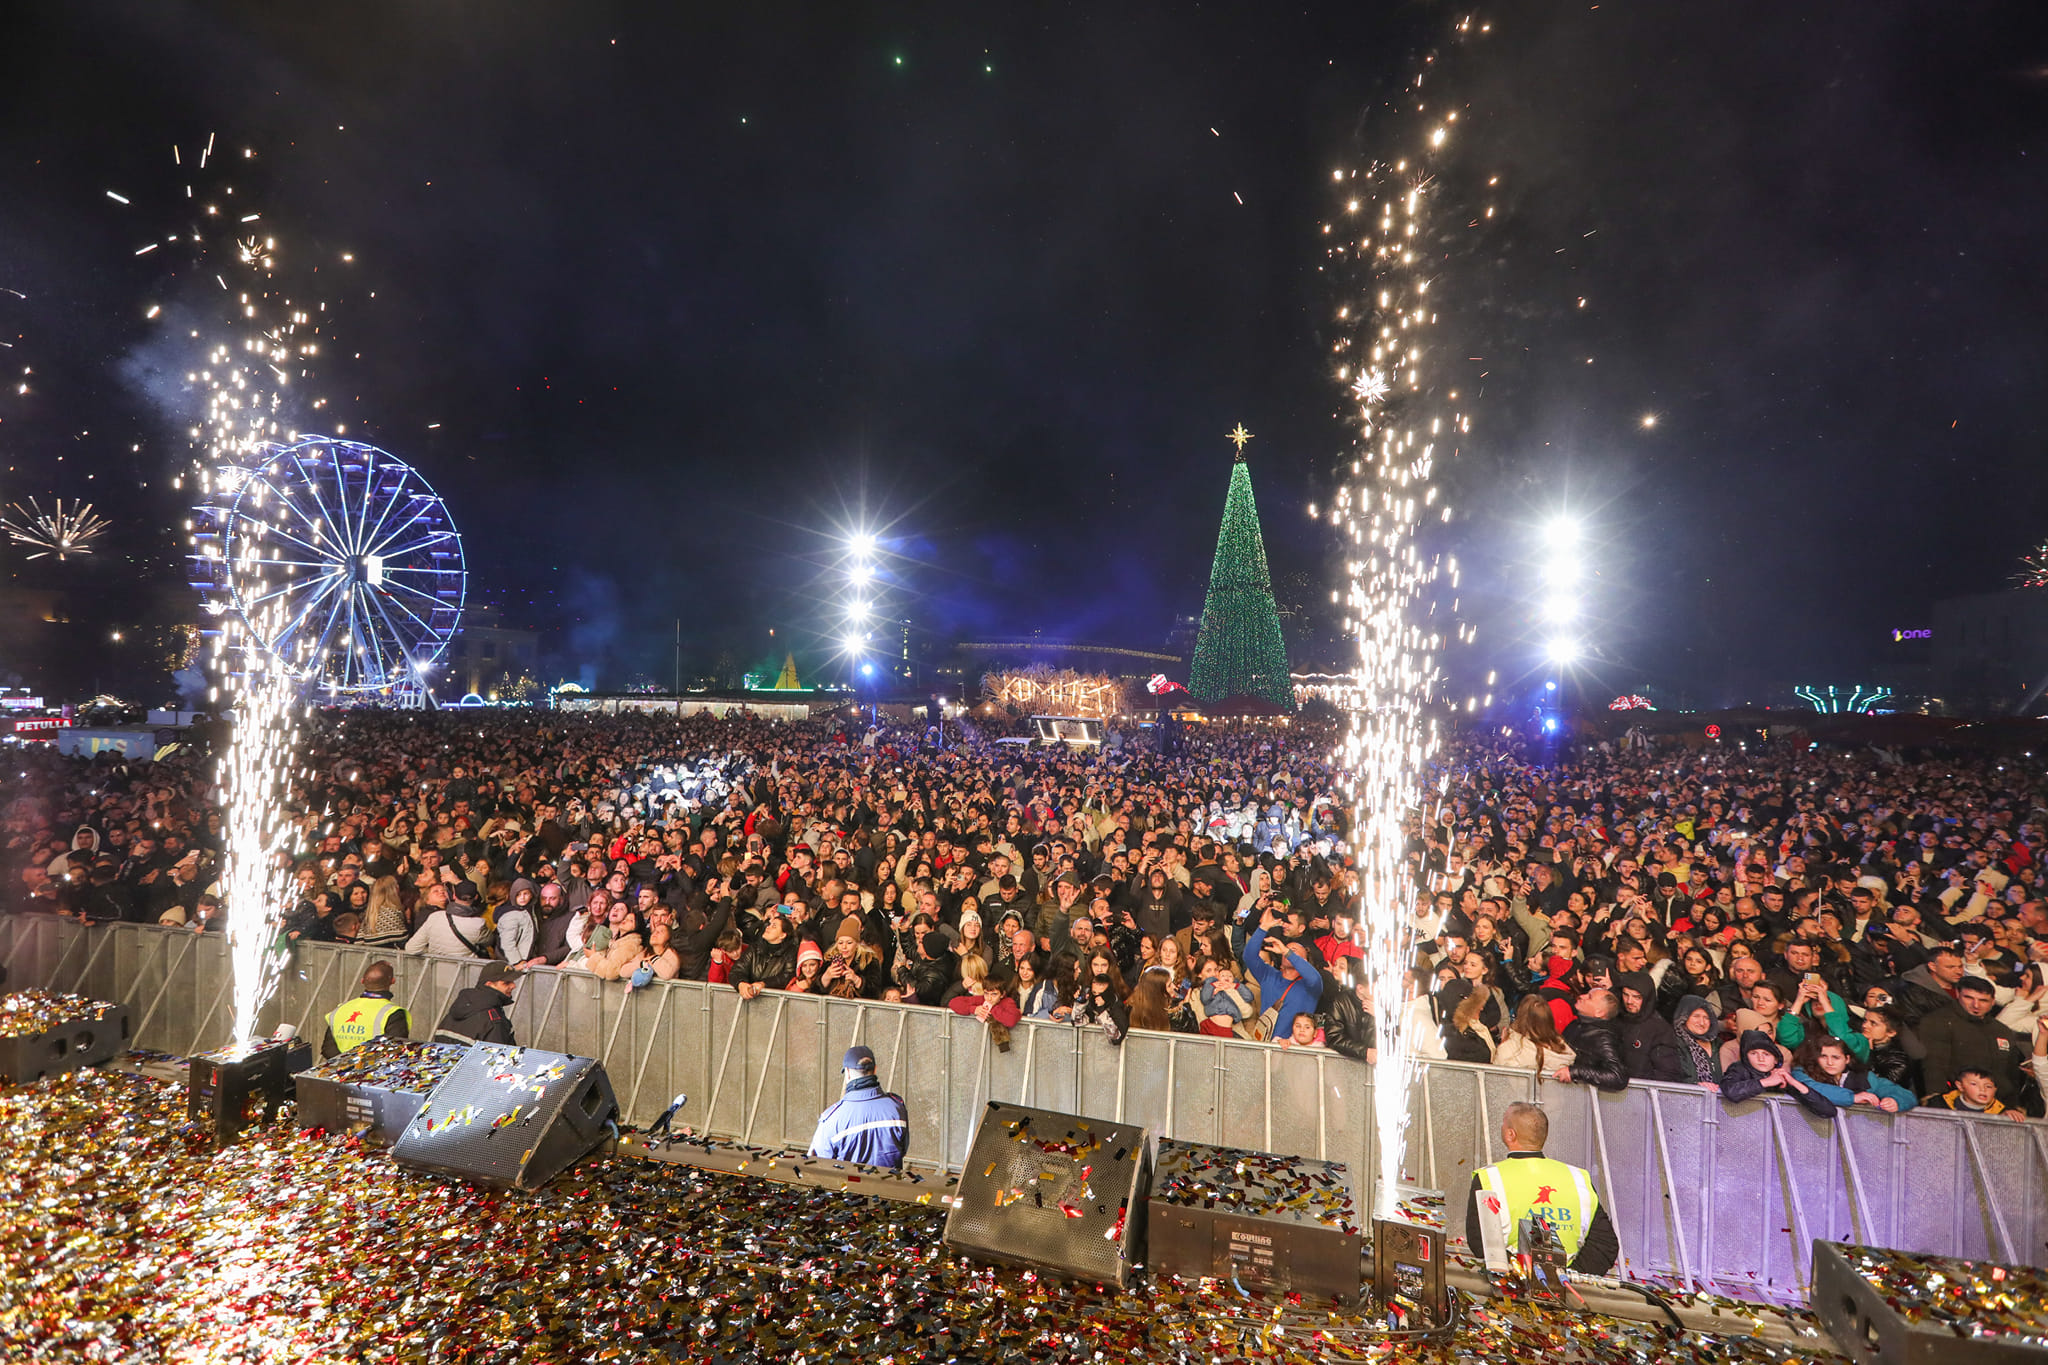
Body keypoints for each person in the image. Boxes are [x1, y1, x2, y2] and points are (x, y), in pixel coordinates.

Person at [1465, 1101, 1619, 1275]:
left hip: (1511, 1287)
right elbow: (1605, 1245)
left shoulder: (1490, 1177)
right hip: (1569, 1290)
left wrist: (1522, 1277)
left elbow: (1480, 1242)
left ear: (1510, 1134)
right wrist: (1566, 1278)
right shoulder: (1577, 1178)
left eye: (1503, 1123)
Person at [807, 1045, 909, 1168]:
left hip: (848, 1186)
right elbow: (903, 1149)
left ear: (848, 1073)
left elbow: (817, 1164)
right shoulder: (897, 1109)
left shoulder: (831, 1120)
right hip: (890, 1186)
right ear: (875, 1069)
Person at [321, 960, 411, 1058]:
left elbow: (328, 1049)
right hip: (373, 1071)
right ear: (393, 981)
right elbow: (395, 1050)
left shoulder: (340, 1010)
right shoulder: (393, 1013)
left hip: (339, 1070)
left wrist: (345, 1065)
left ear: (362, 981)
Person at [435, 962, 522, 1045]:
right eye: (506, 983)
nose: (513, 986)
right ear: (489, 984)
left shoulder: (459, 1005)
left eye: (513, 981)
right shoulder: (494, 1019)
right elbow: (496, 1056)